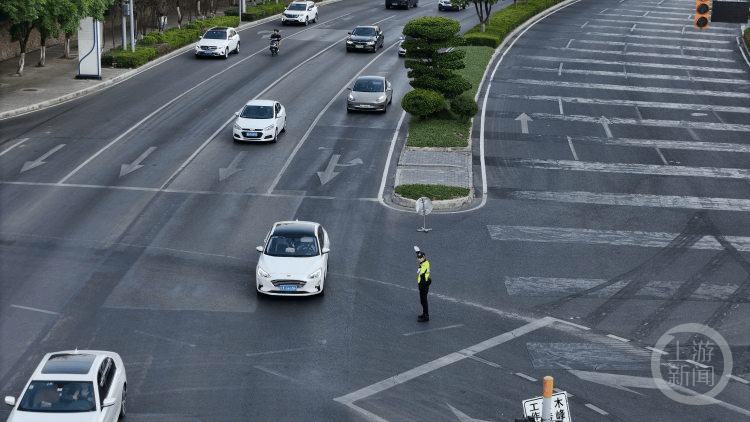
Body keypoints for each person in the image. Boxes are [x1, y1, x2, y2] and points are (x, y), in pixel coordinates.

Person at [416, 250, 431, 322]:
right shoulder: (425, 262)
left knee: (424, 301)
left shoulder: (424, 266)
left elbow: (422, 274)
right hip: (422, 284)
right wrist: (418, 252)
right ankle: (424, 313)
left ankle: (426, 316)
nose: (419, 259)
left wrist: (422, 284)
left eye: (420, 258)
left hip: (424, 285)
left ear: (424, 257)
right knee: (422, 301)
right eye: (419, 258)